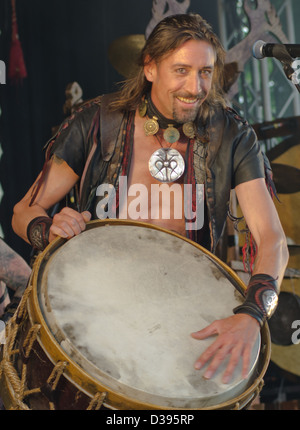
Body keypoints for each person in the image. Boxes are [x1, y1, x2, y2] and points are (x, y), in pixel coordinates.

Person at [12, 14, 288, 385]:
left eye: (205, 71)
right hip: (95, 304)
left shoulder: (232, 134)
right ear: (150, 68)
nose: (196, 86)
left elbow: (272, 239)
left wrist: (253, 314)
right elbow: (22, 211)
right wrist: (47, 228)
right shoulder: (96, 122)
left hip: (182, 317)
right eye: (181, 70)